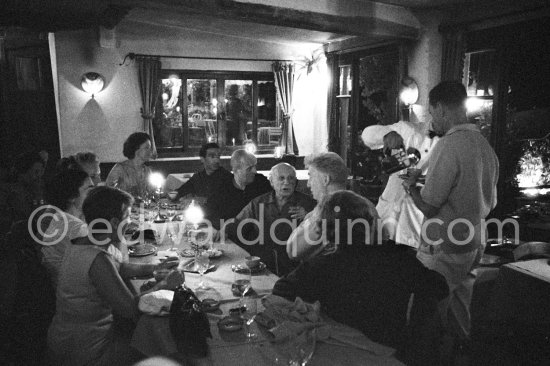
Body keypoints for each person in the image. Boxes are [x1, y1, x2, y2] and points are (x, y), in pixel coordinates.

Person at [273, 190, 449, 352]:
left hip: (340, 351)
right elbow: (440, 287)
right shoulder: (399, 256)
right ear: (372, 223)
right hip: (391, 350)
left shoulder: (324, 264)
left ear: (324, 230)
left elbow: (281, 290)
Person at [403, 81, 499, 344]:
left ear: (441, 108)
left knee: (426, 315)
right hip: (474, 242)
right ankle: (460, 358)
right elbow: (488, 201)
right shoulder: (485, 146)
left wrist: (411, 189)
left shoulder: (448, 145)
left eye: (433, 114)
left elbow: (430, 206)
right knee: (459, 312)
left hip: (444, 245)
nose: (434, 121)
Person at [47, 186, 182, 366]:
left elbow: (120, 267)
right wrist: (164, 284)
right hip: (85, 350)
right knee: (169, 351)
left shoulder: (84, 242)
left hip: (68, 336)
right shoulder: (97, 260)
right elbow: (130, 308)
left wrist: (157, 267)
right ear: (114, 222)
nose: (131, 222)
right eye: (127, 217)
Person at [225, 163, 316, 276]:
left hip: (295, 270)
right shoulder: (258, 203)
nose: (286, 182)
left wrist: (308, 216)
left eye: (291, 178)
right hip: (263, 268)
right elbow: (236, 224)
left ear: (296, 182)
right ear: (271, 182)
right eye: (281, 178)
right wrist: (222, 230)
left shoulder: (308, 204)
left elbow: (322, 229)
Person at [286, 152, 377, 261]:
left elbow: (293, 251)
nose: (308, 184)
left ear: (325, 179)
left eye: (311, 176)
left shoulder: (328, 211)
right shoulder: (367, 205)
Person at [362, 120, 440, 247]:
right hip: (386, 218)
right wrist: (387, 135)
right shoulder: (407, 130)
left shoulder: (450, 147)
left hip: (417, 228)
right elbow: (367, 135)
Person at [41, 170, 94, 287]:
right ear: (71, 196)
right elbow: (105, 265)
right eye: (89, 190)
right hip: (77, 295)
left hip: (63, 290)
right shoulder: (75, 228)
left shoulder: (60, 217)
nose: (95, 194)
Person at [205, 149, 271, 229]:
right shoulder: (221, 187)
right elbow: (210, 213)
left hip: (258, 233)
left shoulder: (262, 182)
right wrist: (219, 228)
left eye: (255, 166)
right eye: (249, 168)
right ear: (236, 170)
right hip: (230, 235)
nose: (255, 171)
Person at [105, 132, 154, 198]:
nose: (150, 151)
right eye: (147, 148)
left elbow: (152, 193)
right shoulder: (119, 169)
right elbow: (107, 192)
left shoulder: (147, 171)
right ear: (136, 149)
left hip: (143, 207)